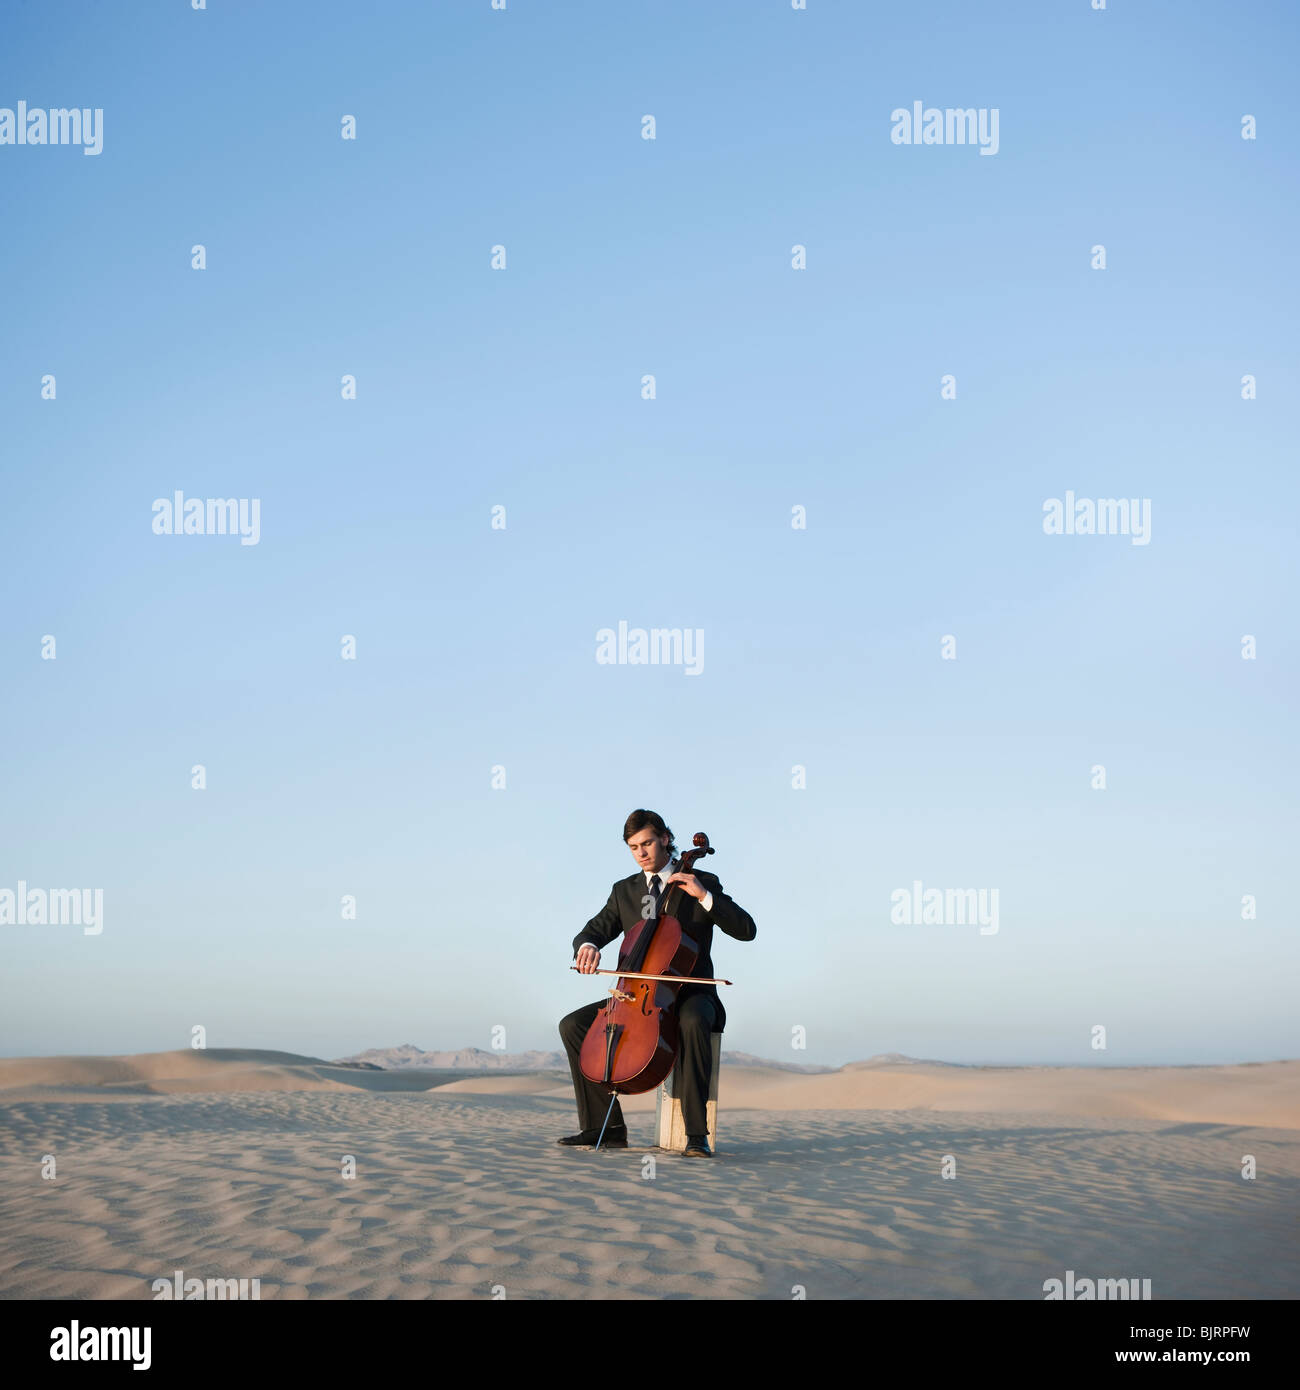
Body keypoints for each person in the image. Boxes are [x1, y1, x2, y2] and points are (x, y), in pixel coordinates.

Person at [557, 809, 757, 1157]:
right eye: (633, 847)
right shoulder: (625, 891)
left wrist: (703, 897)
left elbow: (746, 930)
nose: (641, 853)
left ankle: (696, 1134)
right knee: (573, 1025)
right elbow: (594, 930)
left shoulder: (702, 880)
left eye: (647, 843)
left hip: (693, 992)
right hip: (638, 998)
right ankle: (604, 1128)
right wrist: (586, 946)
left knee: (693, 1020)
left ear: (665, 838)